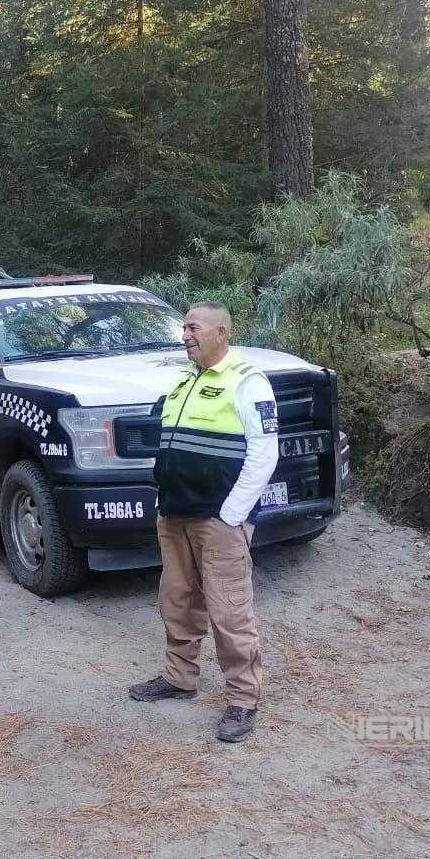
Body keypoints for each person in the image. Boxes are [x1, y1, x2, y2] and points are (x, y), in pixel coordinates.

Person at [128, 302, 279, 743]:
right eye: (184, 328)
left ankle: (243, 700)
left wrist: (231, 515)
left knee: (229, 611)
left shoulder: (247, 381)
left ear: (221, 332)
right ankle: (179, 678)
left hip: (218, 521)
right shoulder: (184, 380)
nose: (185, 335)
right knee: (177, 601)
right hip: (174, 514)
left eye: (193, 327)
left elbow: (264, 454)